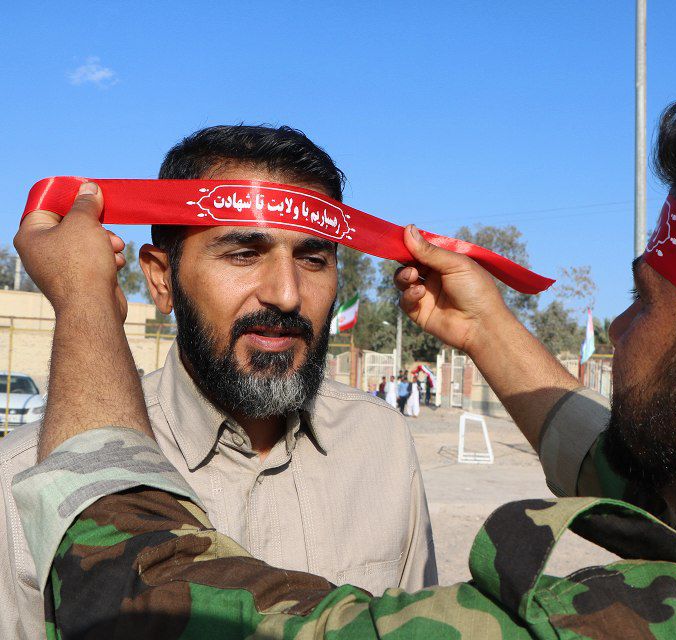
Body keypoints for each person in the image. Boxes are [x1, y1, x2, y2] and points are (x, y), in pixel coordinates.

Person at [13, 79, 676, 638]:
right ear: (161, 274)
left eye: (645, 302)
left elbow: (127, 584)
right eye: (240, 252)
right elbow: (650, 484)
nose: (619, 329)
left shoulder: (588, 618)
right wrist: (488, 330)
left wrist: (84, 312)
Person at [0, 125, 436, 639]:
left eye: (313, 259)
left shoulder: (382, 443)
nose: (287, 294)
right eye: (243, 254)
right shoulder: (28, 477)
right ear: (161, 279)